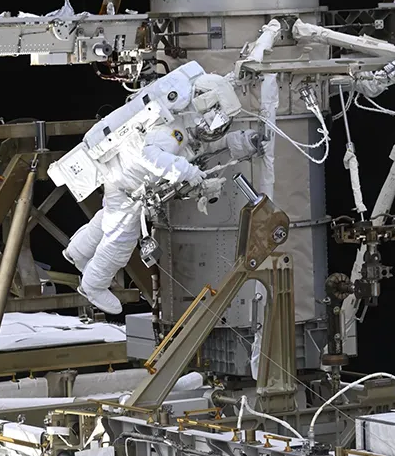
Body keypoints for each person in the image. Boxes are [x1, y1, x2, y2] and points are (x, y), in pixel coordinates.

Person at [53, 62, 260, 315]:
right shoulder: (171, 131)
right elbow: (149, 155)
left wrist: (243, 141)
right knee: (120, 239)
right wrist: (187, 172)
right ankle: (93, 285)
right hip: (128, 185)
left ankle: (76, 253)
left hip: (122, 182)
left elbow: (206, 147)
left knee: (109, 218)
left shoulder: (186, 123)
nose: (213, 131)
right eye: (214, 124)